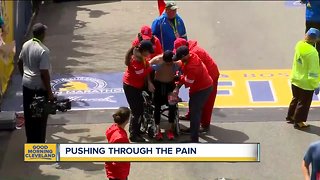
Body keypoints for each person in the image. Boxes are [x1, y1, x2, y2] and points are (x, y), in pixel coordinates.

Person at [174, 38, 220, 133]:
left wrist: (178, 83)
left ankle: (204, 125)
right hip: (199, 78)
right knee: (193, 95)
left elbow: (188, 78)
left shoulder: (195, 54)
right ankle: (191, 116)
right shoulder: (188, 53)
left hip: (210, 77)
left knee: (206, 102)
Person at [17, 23, 53, 143]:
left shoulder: (25, 45)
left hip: (26, 86)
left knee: (29, 115)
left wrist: (25, 76)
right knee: (40, 116)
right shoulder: (43, 51)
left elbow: (19, 62)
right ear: (42, 34)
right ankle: (40, 143)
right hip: (38, 88)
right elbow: (44, 73)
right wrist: (49, 92)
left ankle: (30, 141)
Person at [172, 46, 213, 143]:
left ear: (184, 56)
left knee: (195, 113)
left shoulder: (192, 67)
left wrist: (177, 81)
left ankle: (194, 140)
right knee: (192, 107)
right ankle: (193, 130)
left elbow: (188, 82)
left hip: (202, 89)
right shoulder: (191, 56)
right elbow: (183, 64)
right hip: (199, 86)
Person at [286, 28, 320, 128]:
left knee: (295, 99)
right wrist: (316, 85)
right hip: (306, 83)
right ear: (316, 40)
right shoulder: (313, 53)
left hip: (295, 79)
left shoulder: (299, 45)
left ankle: (291, 116)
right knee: (304, 103)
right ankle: (299, 121)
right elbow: (313, 72)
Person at [123, 40, 155, 142]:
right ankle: (133, 134)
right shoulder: (135, 61)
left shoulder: (142, 58)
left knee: (139, 110)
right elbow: (142, 73)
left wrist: (149, 82)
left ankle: (136, 130)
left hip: (136, 86)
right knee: (137, 111)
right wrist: (151, 66)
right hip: (131, 87)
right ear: (144, 51)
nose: (149, 54)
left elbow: (146, 71)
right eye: (148, 52)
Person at [148, 50, 180, 140]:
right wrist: (149, 82)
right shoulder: (157, 60)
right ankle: (157, 129)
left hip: (170, 86)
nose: (169, 64)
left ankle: (170, 128)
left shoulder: (176, 61)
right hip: (158, 85)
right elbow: (146, 68)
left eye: (171, 63)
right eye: (168, 63)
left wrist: (177, 85)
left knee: (172, 107)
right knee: (157, 107)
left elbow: (184, 66)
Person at [105, 107, 131, 180]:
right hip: (118, 172)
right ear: (127, 120)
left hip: (113, 170)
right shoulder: (121, 137)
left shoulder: (114, 128)